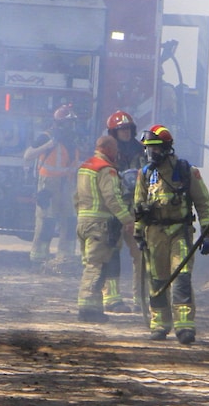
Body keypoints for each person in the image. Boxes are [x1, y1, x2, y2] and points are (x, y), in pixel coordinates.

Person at [133, 125, 209, 344]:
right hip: (154, 233)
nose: (152, 154)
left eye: (156, 149)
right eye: (148, 150)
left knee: (181, 277)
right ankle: (159, 324)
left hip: (180, 231)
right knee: (157, 280)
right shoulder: (145, 173)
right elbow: (138, 204)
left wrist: (207, 233)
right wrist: (138, 233)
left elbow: (203, 203)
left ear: (167, 148)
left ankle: (184, 326)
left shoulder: (186, 170)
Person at [75, 135, 135, 322]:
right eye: (115, 149)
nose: (117, 152)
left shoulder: (85, 167)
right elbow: (112, 198)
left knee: (89, 264)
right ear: (108, 149)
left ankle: (95, 309)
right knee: (96, 266)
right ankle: (87, 310)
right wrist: (127, 219)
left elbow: (76, 197)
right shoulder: (106, 170)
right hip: (99, 226)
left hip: (83, 223)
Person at [23, 104, 80, 265]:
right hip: (48, 186)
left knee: (69, 221)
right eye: (69, 122)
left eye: (73, 123)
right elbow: (28, 155)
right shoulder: (47, 137)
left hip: (68, 185)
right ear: (60, 123)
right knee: (46, 221)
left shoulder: (72, 140)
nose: (72, 126)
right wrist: (48, 146)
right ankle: (38, 257)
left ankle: (65, 258)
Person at [103, 110, 146, 315]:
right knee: (112, 250)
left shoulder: (142, 150)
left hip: (137, 208)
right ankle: (112, 297)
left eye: (128, 128)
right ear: (114, 132)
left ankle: (141, 299)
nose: (126, 133)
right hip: (115, 209)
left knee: (141, 252)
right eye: (121, 130)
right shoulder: (108, 152)